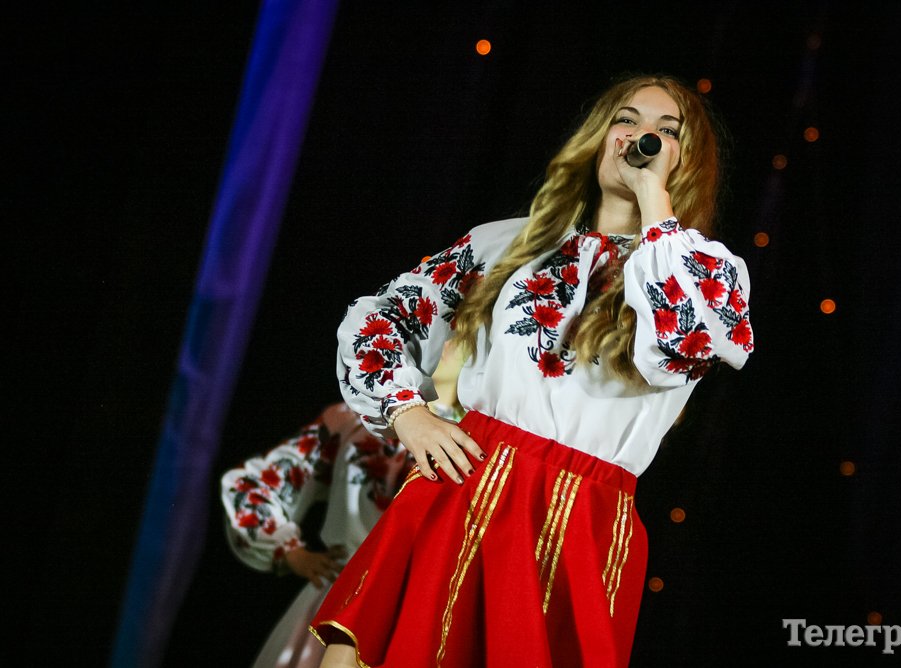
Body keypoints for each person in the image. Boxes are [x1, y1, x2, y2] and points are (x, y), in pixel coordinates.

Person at [310, 73, 754, 667]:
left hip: (581, 523)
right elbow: (384, 317)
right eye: (625, 120)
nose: (639, 137)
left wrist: (654, 199)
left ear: (686, 160)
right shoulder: (510, 245)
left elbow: (681, 345)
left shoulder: (707, 272)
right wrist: (406, 412)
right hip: (466, 484)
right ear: (600, 136)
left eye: (665, 131)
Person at [222, 343, 466, 667]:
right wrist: (290, 549)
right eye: (440, 324)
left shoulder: (483, 440)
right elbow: (252, 483)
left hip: (422, 615)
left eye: (461, 327)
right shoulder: (357, 419)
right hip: (341, 600)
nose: (447, 338)